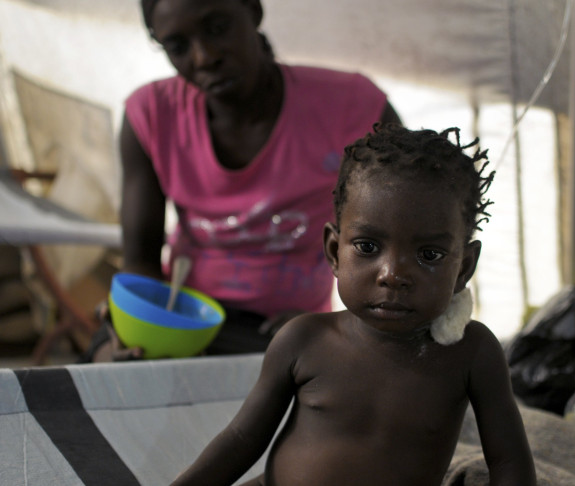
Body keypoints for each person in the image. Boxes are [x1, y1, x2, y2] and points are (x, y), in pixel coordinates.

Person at [170, 123, 537, 486]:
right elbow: (241, 440)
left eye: (429, 254)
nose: (392, 274)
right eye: (367, 247)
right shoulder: (303, 340)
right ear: (334, 251)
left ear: (464, 268)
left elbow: (509, 462)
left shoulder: (471, 353)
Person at [87, 0, 401, 361]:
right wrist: (136, 323)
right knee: (108, 361)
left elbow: (406, 236)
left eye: (218, 27)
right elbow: (139, 259)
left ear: (253, 10)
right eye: (177, 46)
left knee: (313, 372)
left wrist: (346, 322)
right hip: (182, 316)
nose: (204, 57)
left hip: (286, 328)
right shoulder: (152, 114)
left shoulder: (353, 107)